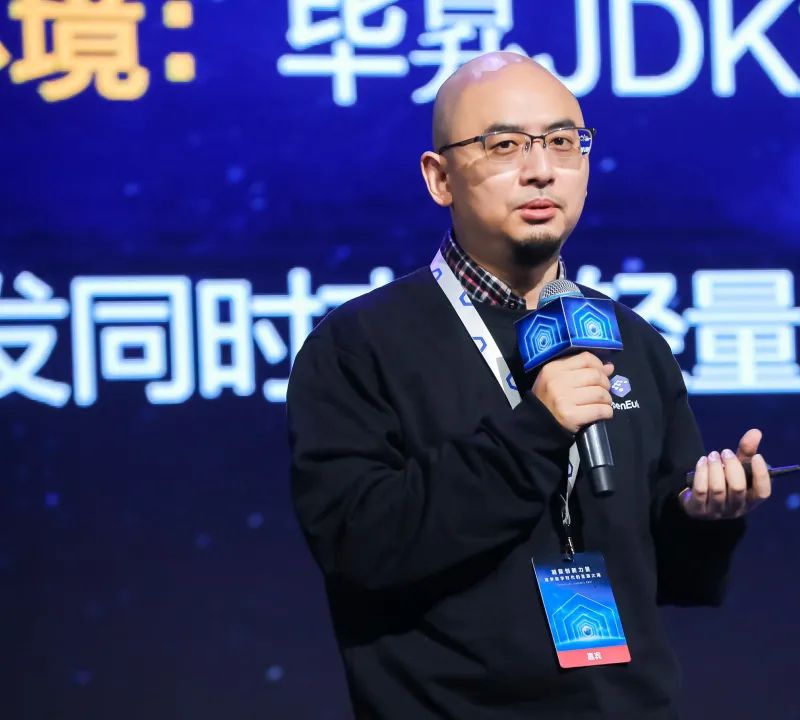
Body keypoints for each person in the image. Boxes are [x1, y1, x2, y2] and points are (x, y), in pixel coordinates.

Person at [286, 52, 773, 720]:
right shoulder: (358, 346)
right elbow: (360, 545)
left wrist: (704, 516)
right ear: (440, 178)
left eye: (564, 142)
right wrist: (536, 431)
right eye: (505, 145)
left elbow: (667, 574)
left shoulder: (630, 341)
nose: (541, 169)